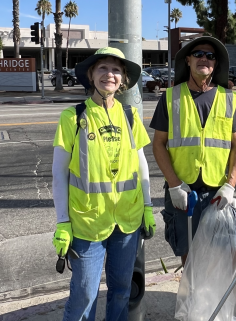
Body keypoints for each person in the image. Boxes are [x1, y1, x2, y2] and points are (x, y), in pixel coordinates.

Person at [51, 47, 155, 321]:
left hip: (127, 221)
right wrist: (62, 222)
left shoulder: (131, 116)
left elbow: (141, 162)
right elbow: (59, 173)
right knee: (85, 293)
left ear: (123, 80)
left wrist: (147, 206)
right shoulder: (72, 118)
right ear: (90, 75)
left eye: (116, 70)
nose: (110, 74)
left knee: (121, 290)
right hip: (87, 223)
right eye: (103, 68)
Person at [151, 36, 236, 265]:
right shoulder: (171, 97)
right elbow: (158, 144)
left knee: (227, 255)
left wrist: (231, 185)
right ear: (188, 60)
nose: (204, 59)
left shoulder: (228, 98)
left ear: (216, 64)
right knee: (189, 256)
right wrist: (174, 184)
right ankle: (192, 300)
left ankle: (220, 301)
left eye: (210, 56)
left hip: (218, 192)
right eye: (199, 54)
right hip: (184, 191)